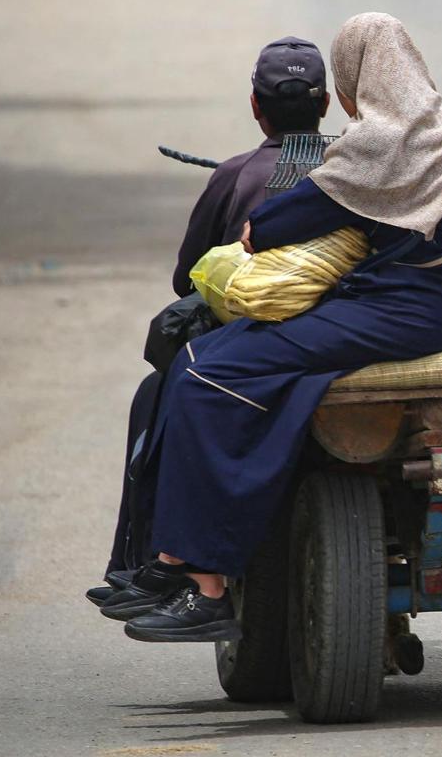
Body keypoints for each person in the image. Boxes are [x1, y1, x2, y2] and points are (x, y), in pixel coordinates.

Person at [104, 13, 442, 642]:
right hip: (425, 306)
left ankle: (204, 584)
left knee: (209, 368)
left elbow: (278, 224)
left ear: (356, 78)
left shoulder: (377, 144)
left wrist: (265, 231)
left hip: (403, 311)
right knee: (229, 357)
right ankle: (175, 561)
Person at [88, 36, 332, 605]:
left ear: (255, 106)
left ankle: (149, 559)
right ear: (326, 107)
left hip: (253, 350)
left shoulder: (236, 175)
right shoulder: (357, 167)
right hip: (341, 332)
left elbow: (187, 280)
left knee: (162, 387)